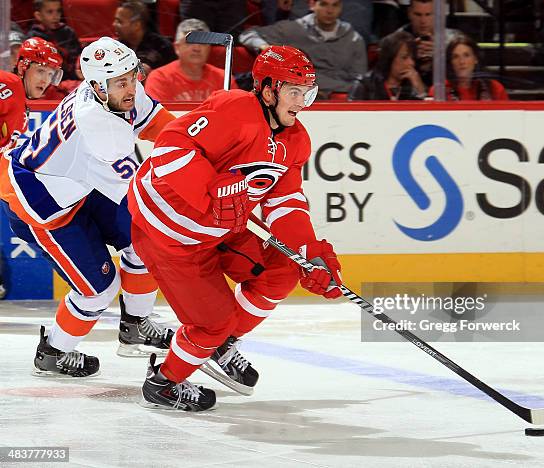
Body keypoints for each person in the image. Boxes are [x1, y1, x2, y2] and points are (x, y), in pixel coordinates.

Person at [127, 45, 344, 411]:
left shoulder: (296, 140)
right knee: (212, 322)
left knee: (283, 269)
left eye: (308, 92)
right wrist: (208, 191)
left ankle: (221, 345)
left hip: (223, 228)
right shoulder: (234, 109)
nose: (303, 102)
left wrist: (309, 252)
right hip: (170, 233)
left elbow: (284, 201)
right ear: (269, 89)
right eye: (295, 91)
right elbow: (169, 147)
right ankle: (164, 381)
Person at [0, 37, 176, 377]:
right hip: (42, 202)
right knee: (98, 292)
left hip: (75, 180)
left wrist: (203, 140)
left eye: (133, 76)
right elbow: (137, 190)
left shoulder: (111, 86)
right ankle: (53, 350)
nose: (131, 87)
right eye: (122, 82)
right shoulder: (99, 126)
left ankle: (136, 324)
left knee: (144, 238)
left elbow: (156, 123)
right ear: (97, 85)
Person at [0, 37, 63, 301]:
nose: (45, 79)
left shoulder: (21, 103)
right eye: (40, 70)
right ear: (23, 66)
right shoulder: (10, 84)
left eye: (50, 74)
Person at [240, 0, 367, 98]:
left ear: (341, 8)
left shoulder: (354, 38)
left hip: (339, 90)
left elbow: (359, 77)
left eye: (335, 5)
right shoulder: (293, 29)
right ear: (312, 5)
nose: (330, 10)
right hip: (300, 86)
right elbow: (248, 34)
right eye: (324, 4)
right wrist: (265, 47)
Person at [145, 19, 237, 102]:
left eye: (203, 43)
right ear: (177, 47)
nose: (197, 48)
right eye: (189, 42)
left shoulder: (224, 78)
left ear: (209, 48)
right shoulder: (159, 78)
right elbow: (156, 118)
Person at [396, 0, 462, 87]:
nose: (423, 21)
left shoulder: (454, 39)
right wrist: (411, 56)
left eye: (428, 14)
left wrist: (439, 57)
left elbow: (463, 74)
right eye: (418, 14)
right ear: (409, 13)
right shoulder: (397, 40)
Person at [349, 30, 426, 100]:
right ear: (389, 58)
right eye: (404, 57)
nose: (411, 63)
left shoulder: (413, 86)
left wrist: (420, 92)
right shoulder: (364, 87)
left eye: (412, 58)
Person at [434, 35, 508, 101]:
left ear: (475, 59)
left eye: (466, 55)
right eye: (455, 57)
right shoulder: (439, 91)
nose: (462, 61)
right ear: (450, 62)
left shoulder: (495, 89)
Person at [113, 0, 177, 74]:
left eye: (119, 22)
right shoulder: (117, 47)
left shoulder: (162, 47)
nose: (114, 24)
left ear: (136, 25)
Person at [26, 0, 82, 81]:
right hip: (47, 81)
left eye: (58, 11)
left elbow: (77, 56)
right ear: (38, 15)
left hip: (73, 78)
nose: (56, 16)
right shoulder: (33, 37)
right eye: (50, 12)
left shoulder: (68, 32)